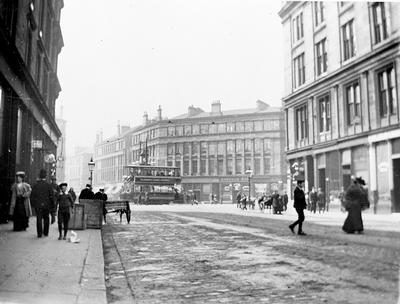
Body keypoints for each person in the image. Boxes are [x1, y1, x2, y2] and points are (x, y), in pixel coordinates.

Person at [30, 169, 55, 238]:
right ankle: (46, 232)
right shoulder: (48, 185)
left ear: (39, 176)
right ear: (46, 176)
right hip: (46, 205)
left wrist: (33, 204)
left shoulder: (35, 185)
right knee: (46, 218)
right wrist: (52, 205)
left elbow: (32, 196)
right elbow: (52, 196)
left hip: (38, 205)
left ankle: (39, 234)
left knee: (39, 218)